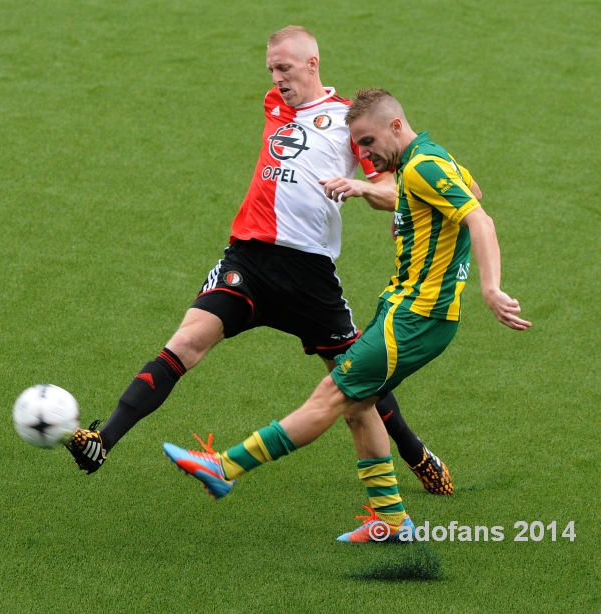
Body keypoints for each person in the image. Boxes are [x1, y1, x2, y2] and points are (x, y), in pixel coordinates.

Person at [67, 27, 453, 495]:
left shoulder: (351, 123)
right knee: (187, 342)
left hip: (310, 274)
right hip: (248, 261)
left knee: (356, 383)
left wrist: (363, 186)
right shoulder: (275, 104)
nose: (276, 79)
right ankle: (103, 439)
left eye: (284, 69)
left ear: (312, 64)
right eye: (271, 70)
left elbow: (399, 191)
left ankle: (415, 455)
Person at [163, 87, 531, 543]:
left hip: (417, 318)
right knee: (360, 407)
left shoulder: (423, 166)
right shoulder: (431, 159)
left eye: (370, 143)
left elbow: (480, 218)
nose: (366, 156)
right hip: (404, 310)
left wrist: (489, 288)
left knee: (329, 398)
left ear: (396, 126)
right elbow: (471, 191)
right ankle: (392, 522)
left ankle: (224, 467)